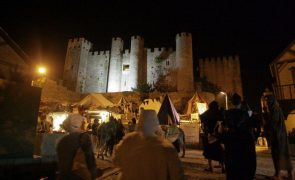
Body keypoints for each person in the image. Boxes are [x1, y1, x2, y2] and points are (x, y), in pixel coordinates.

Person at [112, 109, 185, 180]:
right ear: (155, 124)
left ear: (140, 122)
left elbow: (116, 160)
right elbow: (177, 175)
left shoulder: (128, 140)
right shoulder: (167, 147)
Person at [56, 106, 98, 180]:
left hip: (63, 176)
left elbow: (60, 164)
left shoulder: (63, 140)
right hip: (78, 175)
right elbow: (89, 158)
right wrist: (93, 172)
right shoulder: (83, 137)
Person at [222, 93, 256, 180]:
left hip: (232, 142)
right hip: (245, 142)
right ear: (240, 102)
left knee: (232, 166)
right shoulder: (246, 113)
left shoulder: (227, 113)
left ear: (231, 102)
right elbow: (252, 116)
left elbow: (224, 128)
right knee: (246, 164)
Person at [263, 94, 293, 179]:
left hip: (278, 136)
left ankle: (278, 174)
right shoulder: (276, 109)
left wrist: (266, 122)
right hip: (280, 135)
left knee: (278, 154)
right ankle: (288, 174)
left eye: (267, 101)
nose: (266, 103)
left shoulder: (275, 110)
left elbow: (273, 123)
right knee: (283, 154)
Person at [199, 101, 225, 173]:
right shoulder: (219, 113)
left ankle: (210, 167)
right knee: (220, 151)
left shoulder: (207, 113)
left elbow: (202, 118)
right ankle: (223, 168)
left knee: (208, 151)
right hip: (219, 136)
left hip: (209, 135)